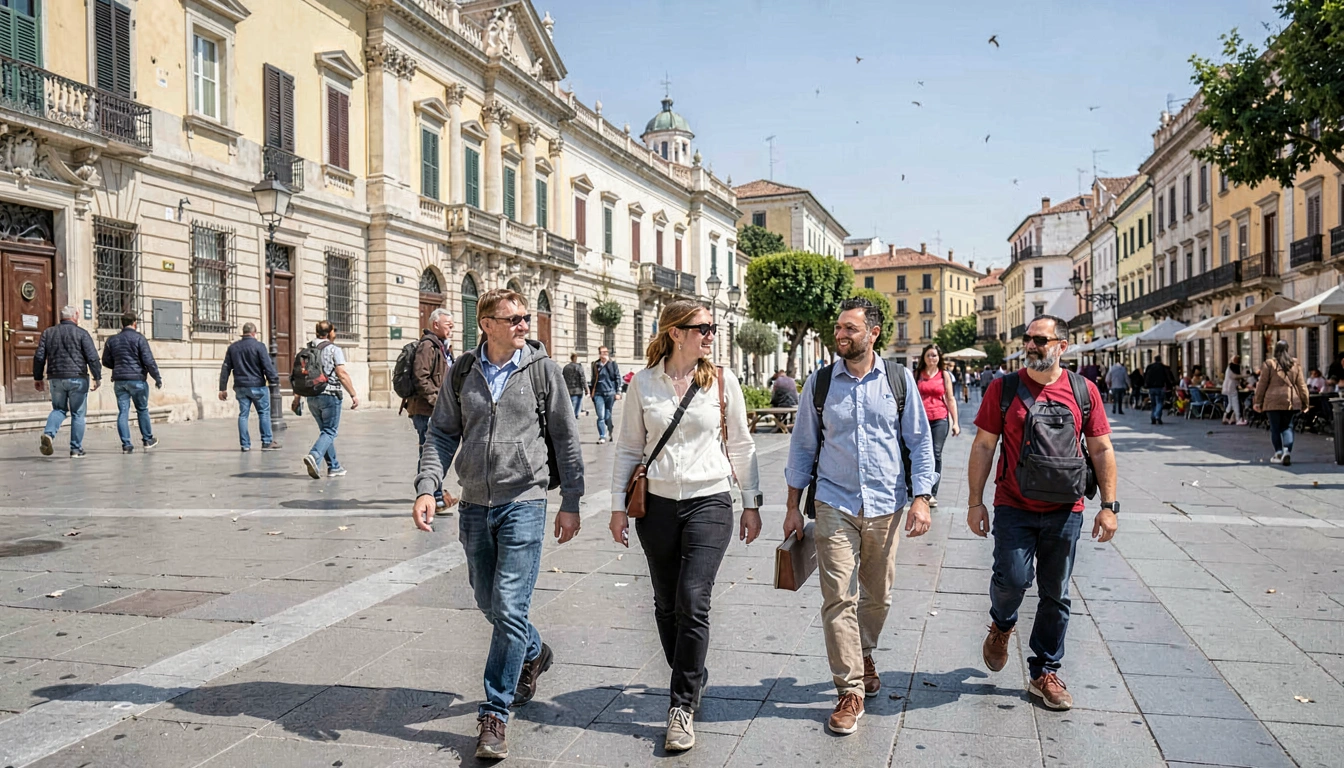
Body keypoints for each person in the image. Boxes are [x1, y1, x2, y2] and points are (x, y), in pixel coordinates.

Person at [412, 288, 584, 760]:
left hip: (524, 500)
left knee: (508, 605)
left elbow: (566, 438)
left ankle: (495, 713)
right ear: (486, 324)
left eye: (526, 317)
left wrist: (571, 499)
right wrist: (428, 486)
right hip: (473, 503)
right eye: (513, 319)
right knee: (489, 601)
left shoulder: (543, 370)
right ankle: (533, 651)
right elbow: (442, 432)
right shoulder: (464, 370)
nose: (523, 324)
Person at [609, 300, 762, 752]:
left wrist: (751, 504)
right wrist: (619, 507)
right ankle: (692, 674)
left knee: (693, 601)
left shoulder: (722, 381)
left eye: (712, 327)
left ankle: (681, 706)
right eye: (702, 327)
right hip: (655, 505)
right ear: (676, 333)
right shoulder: (643, 383)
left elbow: (741, 443)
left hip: (710, 501)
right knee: (665, 604)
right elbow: (628, 449)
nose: (711, 334)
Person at [783, 297, 935, 736]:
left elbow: (920, 443)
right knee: (838, 597)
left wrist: (922, 496)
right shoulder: (821, 383)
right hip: (834, 502)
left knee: (878, 596)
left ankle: (865, 651)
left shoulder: (897, 380)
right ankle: (849, 689)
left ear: (873, 333)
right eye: (838, 328)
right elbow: (803, 447)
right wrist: (793, 506)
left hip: (887, 503)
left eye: (850, 329)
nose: (840, 335)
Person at [967, 315, 1118, 711]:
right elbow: (983, 446)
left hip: (1066, 509)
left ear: (1062, 346)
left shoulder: (1083, 392)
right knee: (1012, 579)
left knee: (1057, 593)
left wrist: (1108, 506)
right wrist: (974, 501)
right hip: (1013, 505)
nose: (1031, 345)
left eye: (1040, 340)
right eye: (1027, 339)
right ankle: (1002, 625)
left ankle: (1044, 671)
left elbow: (1101, 449)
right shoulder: (1005, 388)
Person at [33, 306, 102, 458]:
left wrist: (38, 377)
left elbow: (39, 357)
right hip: (77, 377)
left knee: (58, 409)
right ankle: (76, 449)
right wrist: (97, 377)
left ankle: (49, 434)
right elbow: (92, 357)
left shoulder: (48, 333)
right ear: (75, 316)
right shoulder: (82, 333)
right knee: (78, 414)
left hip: (56, 377)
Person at [405, 308, 454, 508]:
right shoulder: (428, 346)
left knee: (430, 450)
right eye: (448, 325)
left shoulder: (442, 346)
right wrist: (436, 400)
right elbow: (421, 376)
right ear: (435, 324)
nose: (451, 328)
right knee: (429, 452)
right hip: (426, 409)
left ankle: (434, 494)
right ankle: (432, 496)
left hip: (434, 408)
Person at [299, 320, 359, 478]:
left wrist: (297, 397)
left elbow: (301, 375)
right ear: (330, 332)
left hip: (311, 396)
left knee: (325, 432)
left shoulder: (306, 349)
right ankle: (314, 455)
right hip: (330, 395)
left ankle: (334, 466)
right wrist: (353, 394)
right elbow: (342, 374)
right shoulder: (334, 349)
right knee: (330, 431)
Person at [102, 311, 163, 454]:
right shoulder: (139, 339)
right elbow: (149, 361)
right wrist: (157, 378)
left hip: (120, 381)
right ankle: (147, 439)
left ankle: (126, 444)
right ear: (135, 323)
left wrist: (118, 367)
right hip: (137, 380)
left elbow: (105, 360)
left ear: (122, 323)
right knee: (142, 409)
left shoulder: (112, 340)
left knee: (123, 411)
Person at [219, 323, 281, 452]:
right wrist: (274, 380)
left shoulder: (233, 348)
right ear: (254, 333)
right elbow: (267, 365)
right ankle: (267, 441)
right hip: (257, 385)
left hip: (240, 386)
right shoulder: (259, 346)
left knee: (243, 415)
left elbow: (226, 368)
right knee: (263, 413)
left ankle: (245, 444)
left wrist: (222, 388)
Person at [1253, 340, 1311, 467]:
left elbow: (1262, 384)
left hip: (1272, 401)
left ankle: (1278, 452)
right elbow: (1302, 385)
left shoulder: (1270, 364)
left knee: (1275, 428)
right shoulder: (1295, 364)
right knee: (1288, 427)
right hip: (1291, 400)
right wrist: (1305, 402)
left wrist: (1258, 401)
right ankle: (1287, 451)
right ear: (1288, 349)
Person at [914, 345, 959, 507]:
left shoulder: (944, 375)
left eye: (934, 355)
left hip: (940, 418)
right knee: (919, 454)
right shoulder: (917, 375)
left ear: (939, 357)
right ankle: (918, 487)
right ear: (923, 357)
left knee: (935, 453)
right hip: (920, 420)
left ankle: (931, 493)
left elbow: (950, 398)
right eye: (928, 355)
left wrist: (955, 422)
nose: (931, 358)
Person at [590, 346, 621, 444]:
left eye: (606, 352)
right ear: (599, 353)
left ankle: (610, 429)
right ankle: (602, 436)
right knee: (601, 416)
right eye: (602, 352)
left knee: (608, 416)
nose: (604, 354)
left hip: (610, 393)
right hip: (599, 393)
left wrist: (618, 392)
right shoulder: (595, 364)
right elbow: (593, 378)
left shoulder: (613, 364)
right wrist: (592, 392)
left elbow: (616, 377)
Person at [1143, 356, 1176, 425]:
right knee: (1159, 402)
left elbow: (1145, 376)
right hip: (1160, 387)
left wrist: (1146, 385)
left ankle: (1153, 416)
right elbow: (1168, 377)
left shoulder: (1150, 367)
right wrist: (1172, 384)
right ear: (1160, 360)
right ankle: (1157, 416)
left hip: (1151, 388)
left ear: (1154, 360)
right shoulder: (1163, 367)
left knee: (1153, 403)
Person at [1221, 355, 1250, 425]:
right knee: (1235, 403)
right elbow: (1234, 376)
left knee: (1231, 404)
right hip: (1232, 387)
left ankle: (1226, 417)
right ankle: (1238, 419)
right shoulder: (1233, 367)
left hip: (1228, 387)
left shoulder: (1230, 367)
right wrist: (1245, 376)